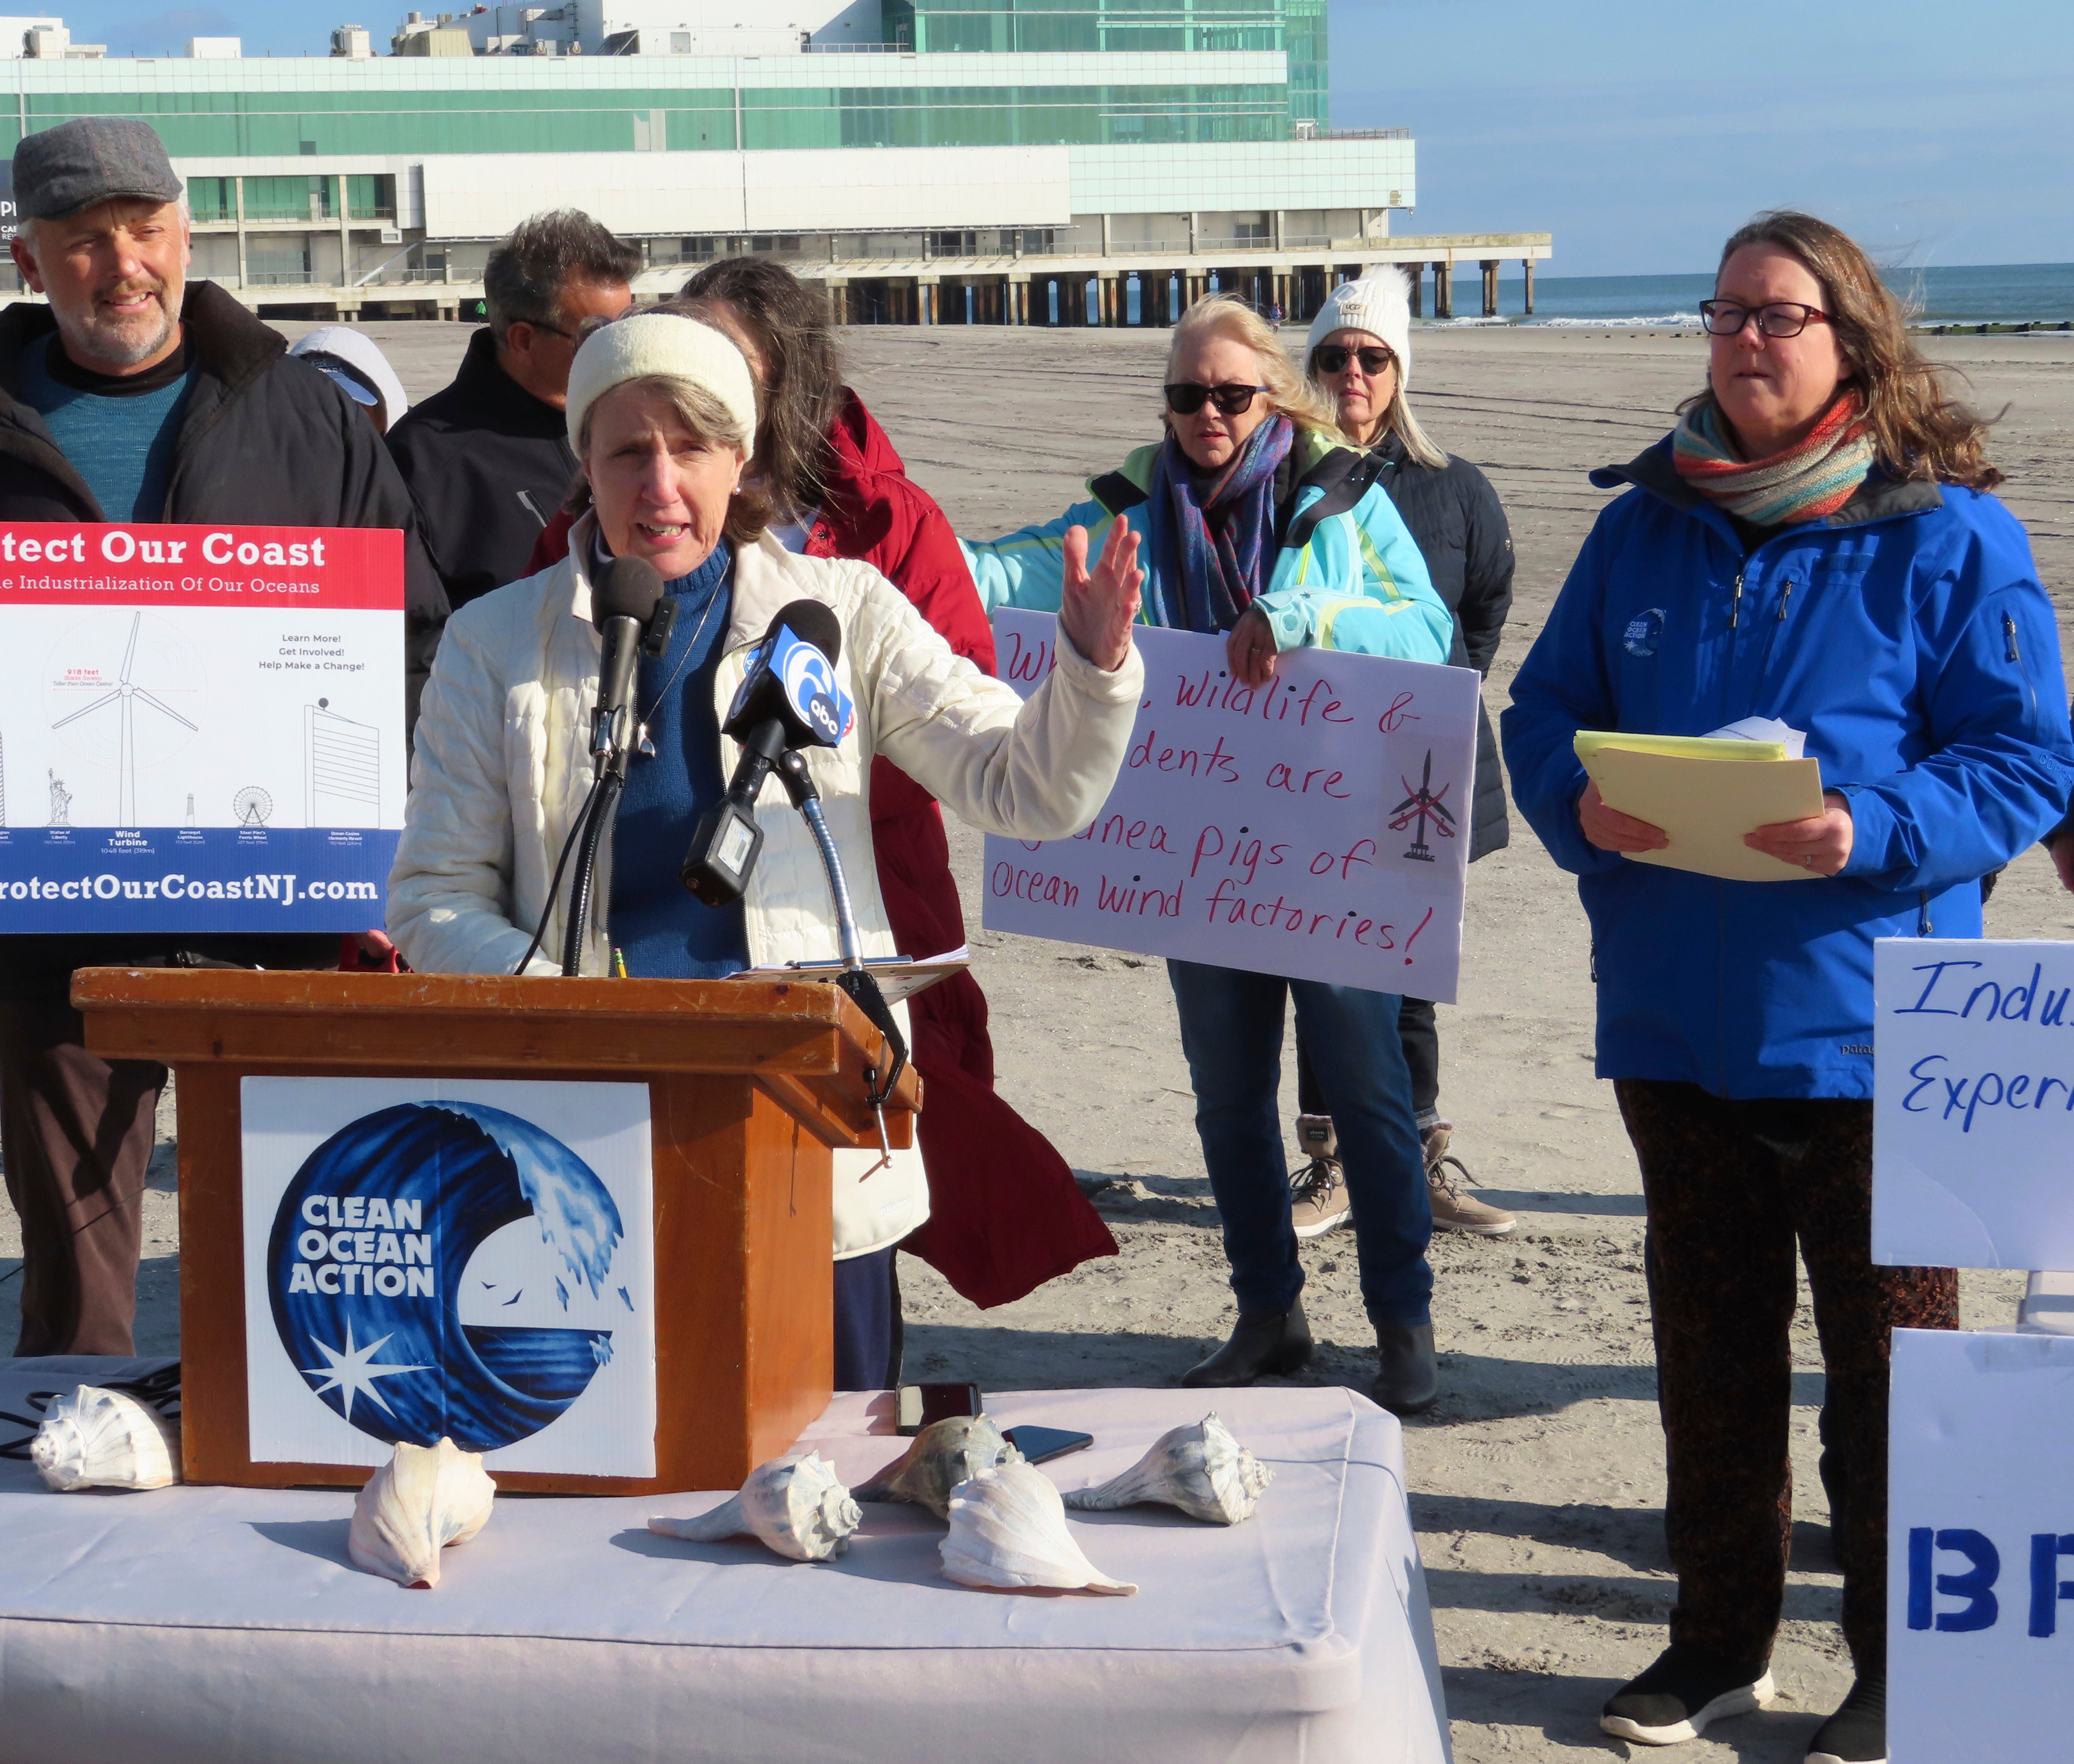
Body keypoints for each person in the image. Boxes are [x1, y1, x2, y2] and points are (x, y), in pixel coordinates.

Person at [1502, 211, 2074, 1764]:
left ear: (1849, 340)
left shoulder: (1944, 534)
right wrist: (1576, 803)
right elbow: (1542, 711)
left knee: (1895, 1381)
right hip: (1676, 1023)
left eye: (1782, 313)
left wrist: (1866, 826)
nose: (1747, 338)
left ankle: (1898, 1661)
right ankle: (1714, 1640)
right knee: (1709, 1356)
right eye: (1727, 312)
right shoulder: (1644, 523)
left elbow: (2028, 758)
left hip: (1885, 1027)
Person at [0, 117, 449, 1358]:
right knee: (79, 1281)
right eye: (85, 241)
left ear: (185, 233)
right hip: (55, 921)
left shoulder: (305, 420)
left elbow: (413, 644)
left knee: (304, 1244)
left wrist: (406, 851)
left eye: (146, 231)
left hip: (286, 911)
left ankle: (296, 1467)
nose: (124, 265)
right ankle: (73, 1480)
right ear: (31, 265)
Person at [387, 310, 1148, 1388]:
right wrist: (571, 1011)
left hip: (808, 1128)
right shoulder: (496, 641)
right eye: (628, 451)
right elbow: (432, 899)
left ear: (737, 459)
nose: (660, 483)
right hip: (589, 1134)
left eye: (690, 447)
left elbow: (1022, 784)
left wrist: (1088, 668)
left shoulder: (841, 612)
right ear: (584, 468)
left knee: (819, 1478)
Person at [522, 255, 1118, 1309]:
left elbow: (990, 752)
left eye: (715, 398)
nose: (669, 456)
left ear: (767, 410)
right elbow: (469, 844)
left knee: (841, 1250)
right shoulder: (564, 577)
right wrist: (556, 988)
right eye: (641, 432)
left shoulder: (869, 555)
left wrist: (1090, 676)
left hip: (842, 911)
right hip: (618, 1022)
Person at [964, 293, 1455, 1412]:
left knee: (1371, 1092)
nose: (1205, 415)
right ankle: (1267, 1314)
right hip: (1199, 858)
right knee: (1227, 1099)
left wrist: (1299, 613)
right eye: (1184, 395)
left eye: (1230, 395)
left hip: (1331, 853)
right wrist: (884, 544)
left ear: (1271, 395)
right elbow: (1002, 576)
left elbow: (1422, 630)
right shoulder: (1131, 506)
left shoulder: (1345, 498)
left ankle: (1401, 1320)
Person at [1290, 265, 1516, 1241]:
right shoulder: (1281, 480)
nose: (1353, 372)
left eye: (1373, 357)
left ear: (1400, 370)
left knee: (1409, 973)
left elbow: (1485, 609)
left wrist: (1424, 704)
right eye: (1335, 355)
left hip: (1424, 772)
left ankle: (1420, 1154)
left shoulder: (1455, 489)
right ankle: (1332, 1161)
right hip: (1304, 770)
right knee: (1314, 966)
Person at [387, 208, 640, 609]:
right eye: (598, 333)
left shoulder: (645, 429)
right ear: (523, 341)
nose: (622, 347)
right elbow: (415, 643)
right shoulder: (422, 464)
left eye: (629, 325)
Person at [290, 325, 409, 435]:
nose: (335, 425)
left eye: (352, 410)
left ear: (382, 415)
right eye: (315, 409)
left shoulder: (415, 451)